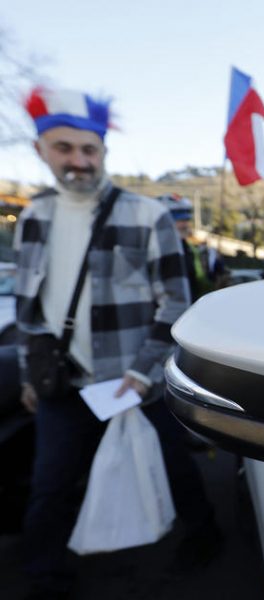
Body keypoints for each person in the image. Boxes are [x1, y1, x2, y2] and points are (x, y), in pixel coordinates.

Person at [15, 87, 220, 599]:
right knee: (51, 486)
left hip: (133, 380)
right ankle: (44, 577)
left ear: (104, 152)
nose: (79, 162)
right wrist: (28, 374)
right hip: (64, 381)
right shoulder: (33, 219)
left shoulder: (145, 216)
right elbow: (28, 308)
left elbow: (175, 305)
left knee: (173, 466)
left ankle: (205, 538)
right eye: (64, 149)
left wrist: (144, 372)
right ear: (42, 150)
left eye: (90, 150)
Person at [157, 193, 228, 302]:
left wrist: (217, 268)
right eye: (179, 220)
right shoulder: (152, 251)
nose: (185, 225)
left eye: (186, 220)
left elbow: (201, 283)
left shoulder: (191, 249)